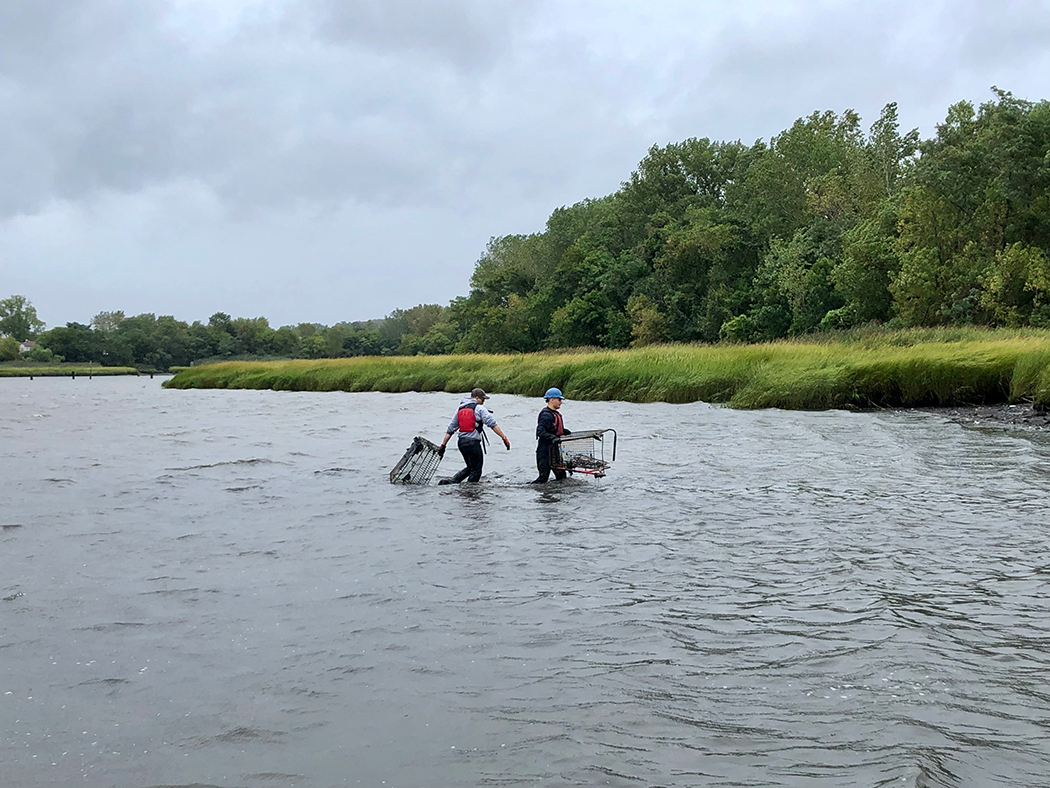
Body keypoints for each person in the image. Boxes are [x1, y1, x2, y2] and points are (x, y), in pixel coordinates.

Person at [437, 388, 510, 484]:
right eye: (482, 399)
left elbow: (450, 429)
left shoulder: (460, 409)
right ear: (476, 398)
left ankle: (452, 482)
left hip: (461, 443)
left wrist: (443, 446)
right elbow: (492, 424)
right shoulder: (479, 408)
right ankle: (470, 492)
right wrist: (504, 437)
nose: (483, 402)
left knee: (470, 467)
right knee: (476, 470)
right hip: (473, 443)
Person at [529, 387, 571, 483]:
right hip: (545, 452)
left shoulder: (555, 414)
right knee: (543, 479)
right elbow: (540, 431)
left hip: (555, 451)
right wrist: (553, 437)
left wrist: (564, 431)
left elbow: (553, 429)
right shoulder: (546, 415)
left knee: (562, 477)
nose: (561, 402)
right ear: (552, 400)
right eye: (559, 399)